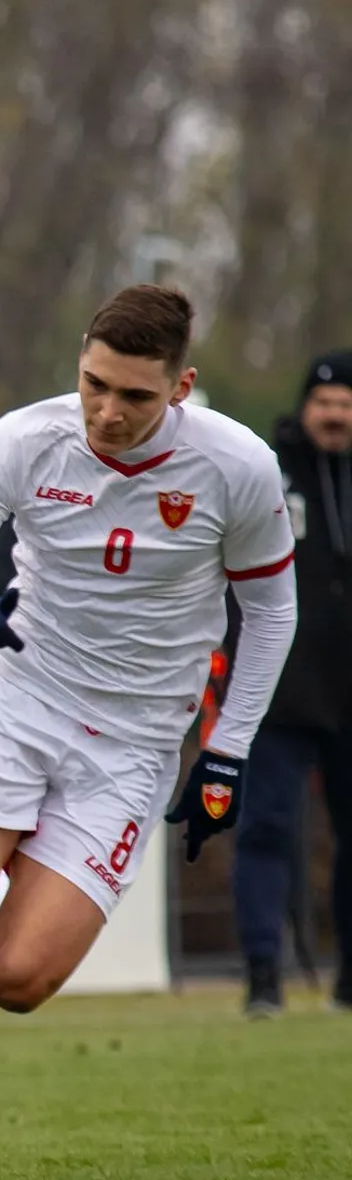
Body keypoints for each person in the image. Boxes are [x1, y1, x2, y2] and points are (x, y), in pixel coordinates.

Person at [0, 284, 297, 1180]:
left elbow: (269, 616)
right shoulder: (24, 440)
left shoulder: (237, 467)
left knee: (18, 980)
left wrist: (225, 753)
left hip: (131, 746)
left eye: (135, 396)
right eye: (93, 385)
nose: (107, 413)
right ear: (78, 364)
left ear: (182, 387)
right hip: (16, 704)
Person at [230, 352, 352, 1015]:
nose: (335, 416)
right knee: (266, 828)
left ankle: (350, 980)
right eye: (325, 404)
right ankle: (262, 976)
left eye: (346, 405)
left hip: (350, 693)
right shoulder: (267, 475)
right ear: (305, 408)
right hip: (279, 685)